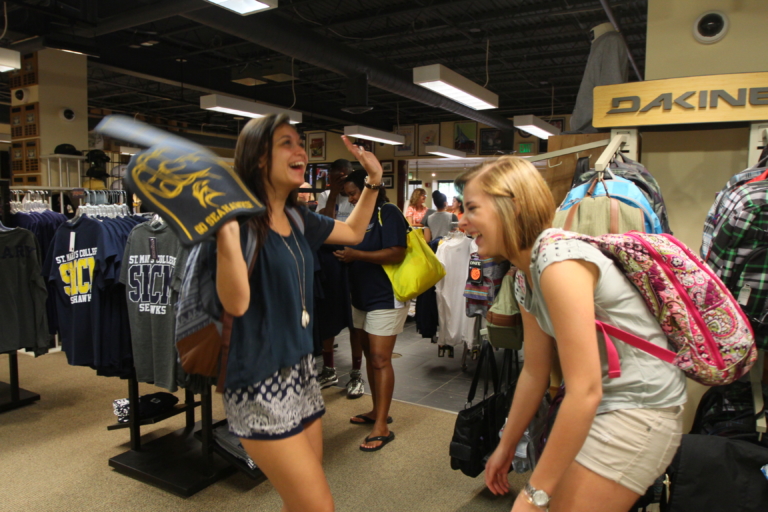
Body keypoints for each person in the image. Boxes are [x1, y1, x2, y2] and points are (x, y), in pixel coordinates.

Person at [456, 156, 686, 512]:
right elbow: (534, 371)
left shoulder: (557, 261)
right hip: (608, 407)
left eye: (472, 208)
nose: (462, 221)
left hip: (640, 409)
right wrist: (504, 447)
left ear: (512, 206)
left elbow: (585, 389)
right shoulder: (524, 275)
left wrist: (535, 493)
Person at [214, 114, 386, 512]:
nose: (301, 151)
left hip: (301, 371)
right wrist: (224, 235)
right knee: (318, 505)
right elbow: (235, 303)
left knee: (303, 497)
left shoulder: (297, 217)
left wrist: (374, 181)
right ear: (258, 159)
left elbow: (354, 232)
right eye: (286, 143)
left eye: (300, 142)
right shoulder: (237, 221)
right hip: (257, 380)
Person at [333, 169, 408, 452]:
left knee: (379, 359)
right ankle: (378, 411)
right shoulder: (359, 218)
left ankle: (382, 427)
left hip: (386, 297)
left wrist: (356, 255)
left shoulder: (388, 213)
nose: (352, 200)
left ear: (369, 190)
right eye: (349, 195)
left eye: (354, 193)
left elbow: (396, 252)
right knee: (368, 355)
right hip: (361, 296)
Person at [314, 159, 365, 399]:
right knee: (328, 317)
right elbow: (323, 226)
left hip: (355, 261)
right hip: (330, 263)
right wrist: (334, 193)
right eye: (336, 178)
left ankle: (356, 373)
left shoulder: (359, 196)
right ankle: (329, 369)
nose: (341, 181)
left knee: (355, 319)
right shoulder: (326, 196)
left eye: (343, 177)